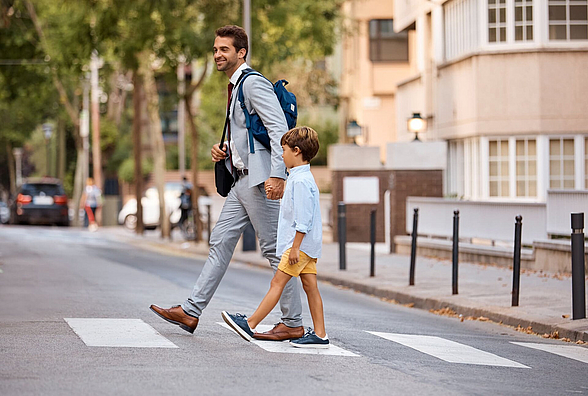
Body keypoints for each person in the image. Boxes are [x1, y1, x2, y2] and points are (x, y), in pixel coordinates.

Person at [150, 25, 304, 340]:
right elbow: (248, 133)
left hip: (259, 180)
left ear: (241, 52)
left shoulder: (252, 83)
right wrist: (226, 150)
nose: (218, 54)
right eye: (216, 49)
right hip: (241, 180)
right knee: (219, 243)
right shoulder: (235, 87)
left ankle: (293, 321)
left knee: (275, 249)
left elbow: (278, 130)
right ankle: (191, 311)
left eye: (225, 49)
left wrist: (278, 173)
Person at [222, 126, 328, 348]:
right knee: (310, 287)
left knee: (277, 283)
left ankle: (250, 324)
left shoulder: (299, 182)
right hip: (308, 246)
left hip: (298, 246)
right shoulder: (303, 178)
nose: (282, 155)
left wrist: (295, 247)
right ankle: (320, 334)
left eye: (284, 150)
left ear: (297, 151)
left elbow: (303, 219)